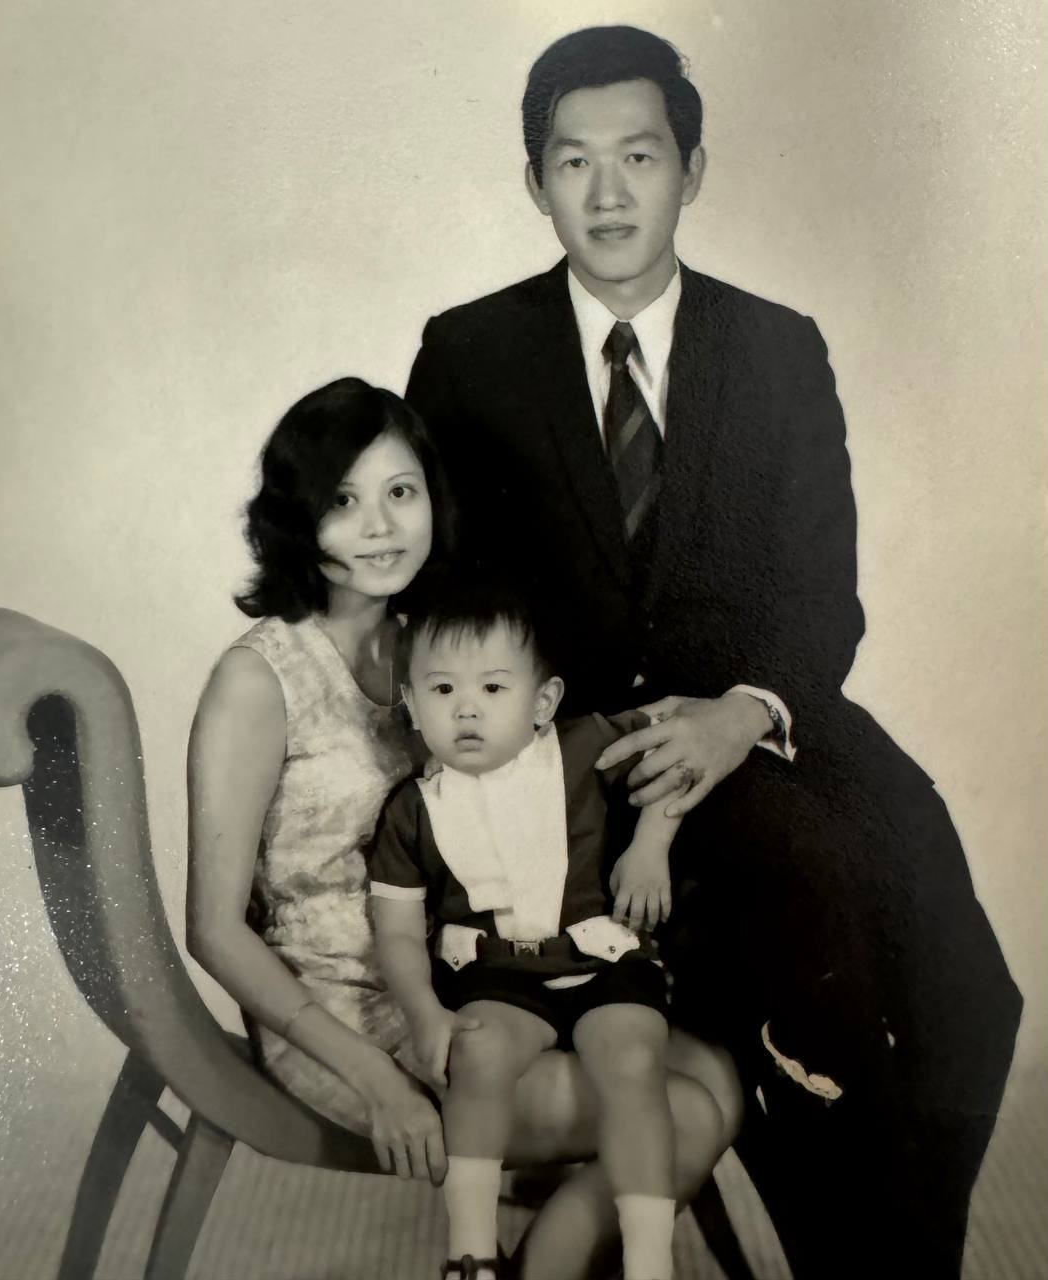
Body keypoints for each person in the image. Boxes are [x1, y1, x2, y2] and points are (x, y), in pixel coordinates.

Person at [405, 25, 1023, 1279]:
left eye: (639, 155)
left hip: (768, 722)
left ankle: (908, 1245)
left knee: (968, 993)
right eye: (572, 162)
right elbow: (444, 602)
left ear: (692, 167)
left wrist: (742, 712)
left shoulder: (775, 348)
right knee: (817, 979)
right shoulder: (469, 356)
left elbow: (822, 594)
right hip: (587, 762)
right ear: (534, 182)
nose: (608, 191)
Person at [185, 377, 742, 1280]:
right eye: (343, 500)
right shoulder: (258, 682)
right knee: (683, 1111)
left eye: (400, 494)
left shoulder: (433, 644)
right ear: (298, 516)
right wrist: (375, 1082)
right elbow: (212, 929)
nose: (380, 526)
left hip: (487, 981)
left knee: (718, 1081)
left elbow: (550, 760)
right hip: (346, 1018)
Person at [370, 582, 715, 1280]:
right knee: (477, 1054)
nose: (466, 708)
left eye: (494, 688)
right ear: (411, 703)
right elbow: (400, 934)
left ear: (543, 701)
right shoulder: (412, 811)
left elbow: (683, 736)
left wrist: (650, 845)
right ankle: (469, 1253)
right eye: (440, 690)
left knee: (632, 1060)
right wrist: (423, 1013)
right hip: (496, 969)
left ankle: (650, 1261)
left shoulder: (583, 748)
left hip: (603, 951)